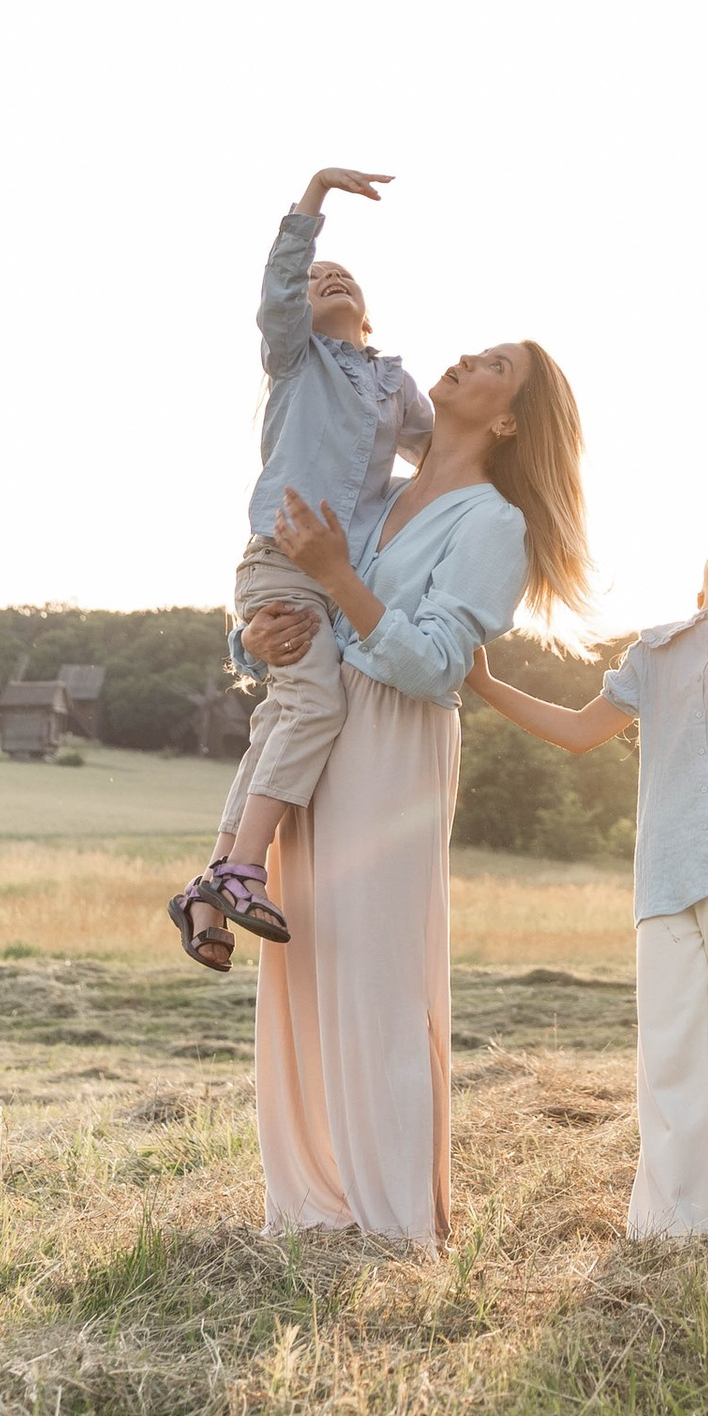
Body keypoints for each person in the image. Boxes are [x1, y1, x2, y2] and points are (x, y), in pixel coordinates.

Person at [470, 348, 708, 1241]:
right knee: (671, 1049)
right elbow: (576, 729)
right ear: (700, 587)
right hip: (668, 875)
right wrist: (484, 685)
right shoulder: (655, 653)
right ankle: (678, 1221)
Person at [246, 335, 588, 1248]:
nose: (467, 361)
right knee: (306, 961)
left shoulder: (494, 523)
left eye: (494, 368)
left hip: (394, 747)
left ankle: (397, 1221)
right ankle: (316, 1207)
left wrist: (334, 577)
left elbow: (437, 666)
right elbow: (308, 607)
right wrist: (259, 639)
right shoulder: (382, 497)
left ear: (508, 420)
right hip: (321, 735)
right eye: (475, 352)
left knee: (378, 977)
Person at [168, 167, 435, 971]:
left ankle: (210, 884)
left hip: (337, 577)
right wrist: (314, 198)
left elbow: (446, 453)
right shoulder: (296, 360)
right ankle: (244, 868)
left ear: (368, 310)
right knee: (314, 704)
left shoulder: (394, 383)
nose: (329, 278)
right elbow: (280, 289)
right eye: (317, 279)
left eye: (342, 275)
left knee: (280, 720)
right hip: (282, 563)